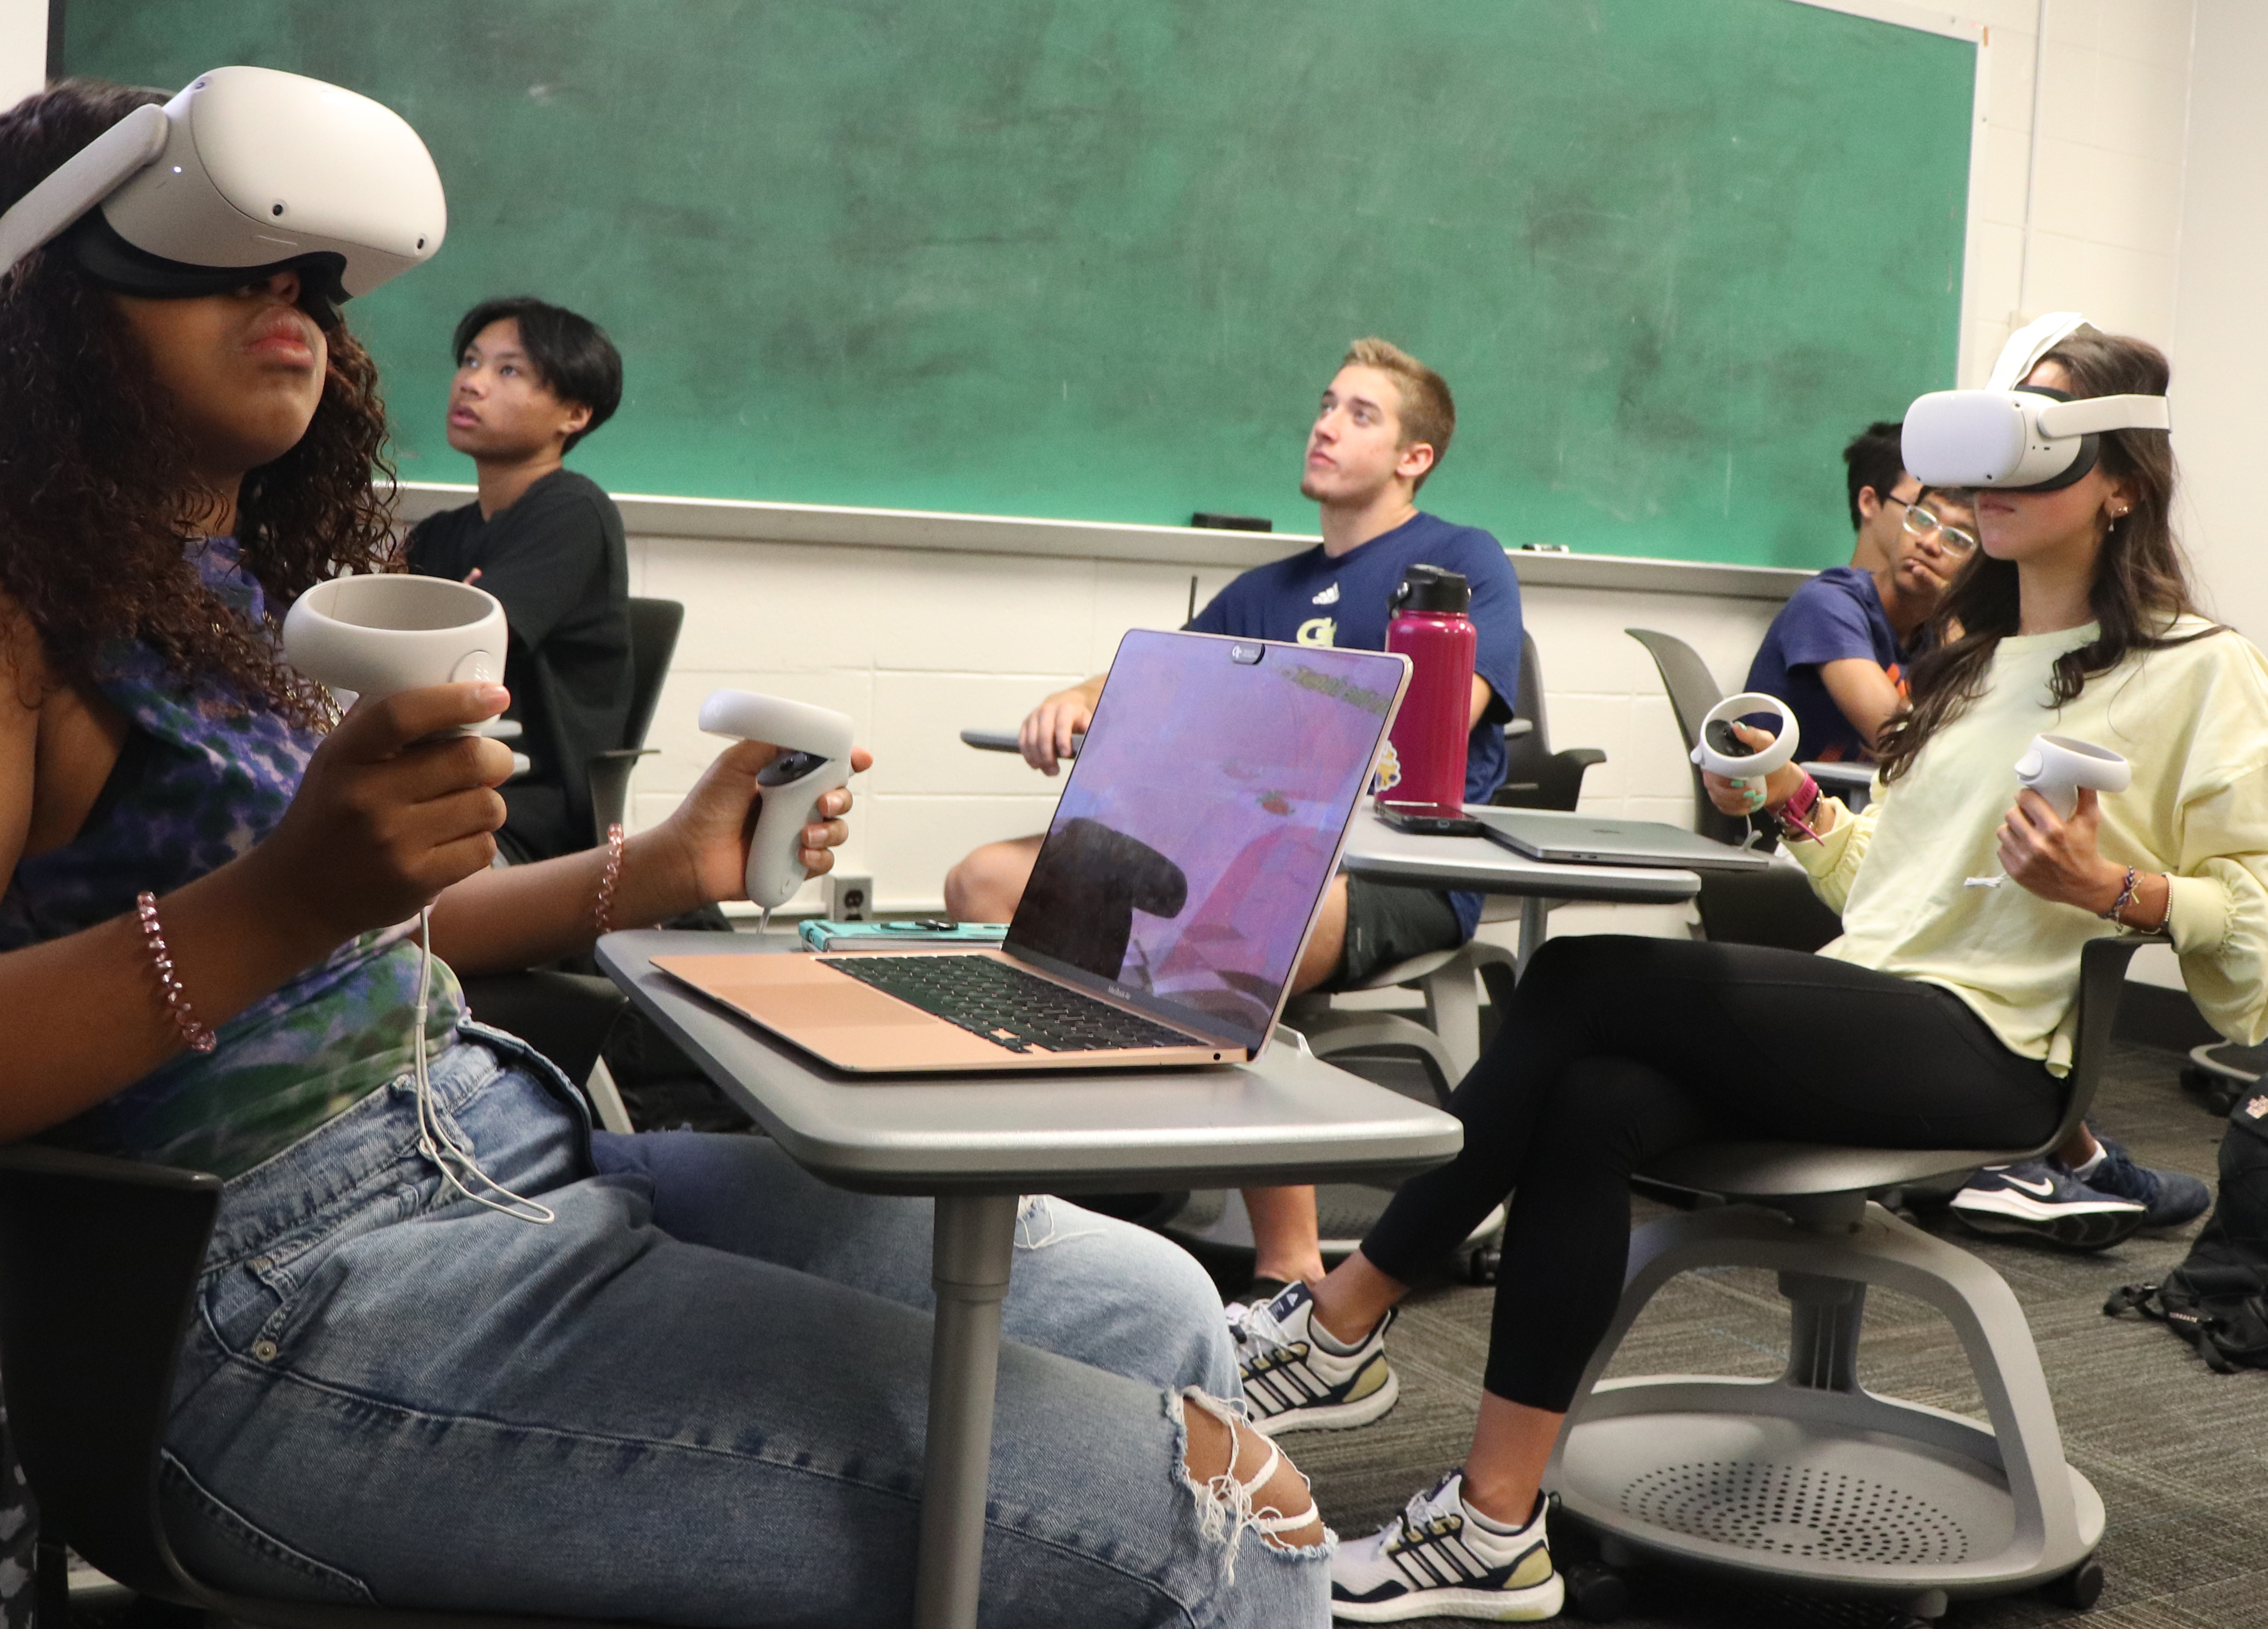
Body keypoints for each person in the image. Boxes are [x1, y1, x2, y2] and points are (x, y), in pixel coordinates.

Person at [0, 82, 1330, 1624]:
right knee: (1224, 1518)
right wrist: (276, 899)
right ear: (33, 313)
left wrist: (656, 864)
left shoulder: (224, 607)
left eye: (311, 276)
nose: (290, 300)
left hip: (503, 1149)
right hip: (273, 1302)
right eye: (210, 256)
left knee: (1159, 1303)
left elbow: (367, 939)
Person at [1218, 326, 2256, 1623]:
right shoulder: (1967, 661)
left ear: (2116, 479)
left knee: (1584, 978)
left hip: (1988, 1054)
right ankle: (1492, 1527)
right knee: (1591, 1096)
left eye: (2031, 443)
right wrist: (1789, 803)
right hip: (1874, 1002)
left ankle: (1342, 1313)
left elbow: (2254, 946)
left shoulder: (2193, 667)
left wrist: (2120, 892)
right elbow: (1886, 889)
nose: (1986, 480)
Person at [944, 338, 1523, 1301]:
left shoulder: (1460, 562)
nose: (1327, 424)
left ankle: (1290, 1273)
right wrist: (1087, 695)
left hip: (1387, 871)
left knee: (1221, 932)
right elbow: (1168, 678)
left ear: (1416, 456)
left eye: (1361, 414)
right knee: (983, 882)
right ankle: (1046, 1185)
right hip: (1233, 853)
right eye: (1326, 404)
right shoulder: (1269, 589)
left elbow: (1440, 725)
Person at [405, 297, 632, 861]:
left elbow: (457, 657)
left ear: (573, 415)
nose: (472, 383)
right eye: (472, 361)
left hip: (525, 813)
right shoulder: (437, 535)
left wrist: (437, 623)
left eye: (509, 370)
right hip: (433, 791)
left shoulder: (574, 511)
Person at [1743, 421, 1972, 761]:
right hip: (1792, 807)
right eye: (1923, 519)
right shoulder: (1827, 603)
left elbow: (1974, 742)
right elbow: (1901, 745)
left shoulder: (1937, 632)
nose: (1929, 542)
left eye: (1957, 539)